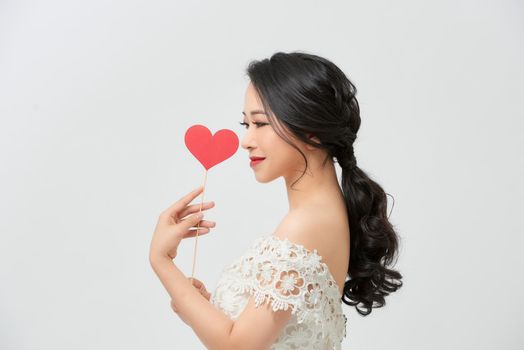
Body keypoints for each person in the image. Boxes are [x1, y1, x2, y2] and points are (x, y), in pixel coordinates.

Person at [149, 51, 403, 349]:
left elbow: (238, 347)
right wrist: (198, 307)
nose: (246, 141)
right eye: (246, 125)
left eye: (261, 123)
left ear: (310, 129)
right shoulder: (326, 212)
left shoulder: (305, 224)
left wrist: (161, 260)